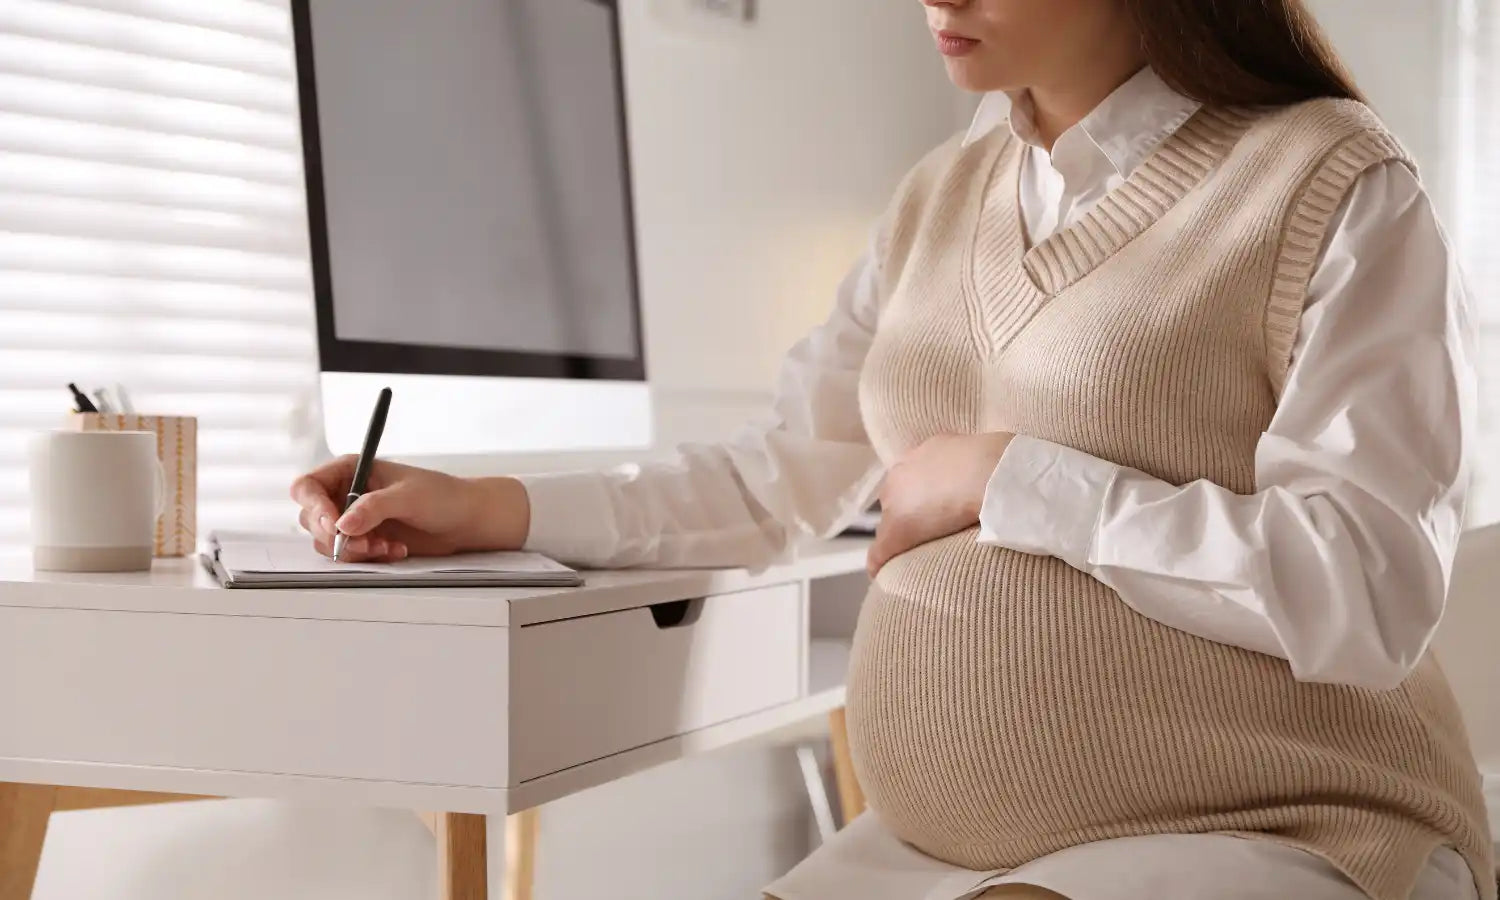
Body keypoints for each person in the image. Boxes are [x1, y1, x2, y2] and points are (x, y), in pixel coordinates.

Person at [291, 0, 1496, 897]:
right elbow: (775, 476)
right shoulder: (935, 198)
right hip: (932, 854)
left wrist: (1014, 478)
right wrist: (490, 506)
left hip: (1277, 825)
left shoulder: (1330, 179)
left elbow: (1367, 585)